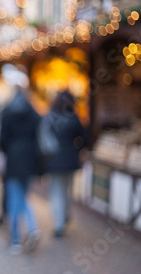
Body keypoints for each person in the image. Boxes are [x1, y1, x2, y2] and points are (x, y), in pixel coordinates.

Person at [0, 88, 41, 255]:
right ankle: (32, 227)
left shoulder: (7, 112)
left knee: (14, 199)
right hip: (29, 160)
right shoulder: (33, 112)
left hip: (13, 160)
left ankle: (15, 239)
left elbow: (2, 140)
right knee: (23, 197)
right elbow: (39, 136)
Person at [44, 90, 86, 237]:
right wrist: (78, 150)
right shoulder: (73, 118)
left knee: (56, 191)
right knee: (67, 190)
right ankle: (64, 216)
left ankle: (58, 224)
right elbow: (84, 137)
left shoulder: (51, 117)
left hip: (54, 159)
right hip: (70, 159)